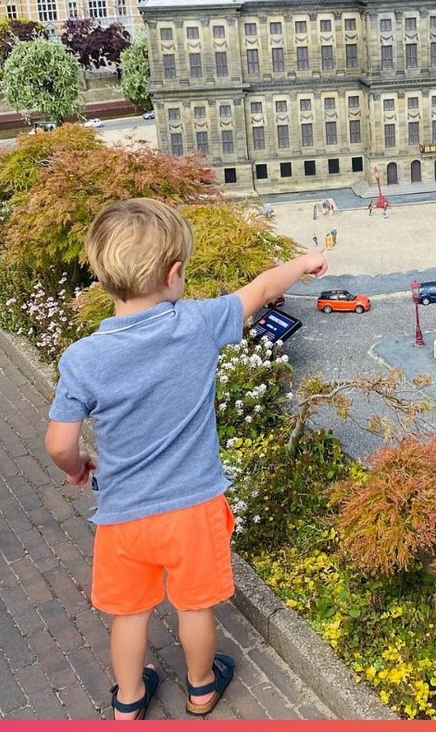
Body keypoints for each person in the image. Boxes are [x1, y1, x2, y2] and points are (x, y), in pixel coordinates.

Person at [45, 198, 327, 719]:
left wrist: (78, 464)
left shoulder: (82, 358)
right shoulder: (195, 324)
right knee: (194, 604)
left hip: (124, 515)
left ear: (104, 278)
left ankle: (128, 701)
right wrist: (304, 263)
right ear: (174, 275)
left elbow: (59, 443)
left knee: (128, 613)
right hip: (193, 507)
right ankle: (201, 687)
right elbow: (263, 288)